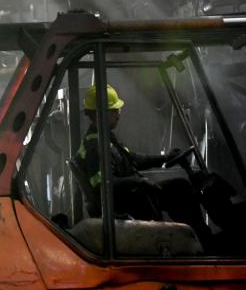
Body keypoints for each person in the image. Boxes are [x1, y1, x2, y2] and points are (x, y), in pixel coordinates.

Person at [74, 84, 197, 224]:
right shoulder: (95, 147)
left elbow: (132, 159)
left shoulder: (105, 138)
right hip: (126, 204)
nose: (119, 113)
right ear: (100, 113)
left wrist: (165, 158)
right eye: (114, 110)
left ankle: (189, 235)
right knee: (179, 189)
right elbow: (102, 186)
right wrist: (138, 182)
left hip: (131, 196)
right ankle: (197, 238)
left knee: (179, 187)